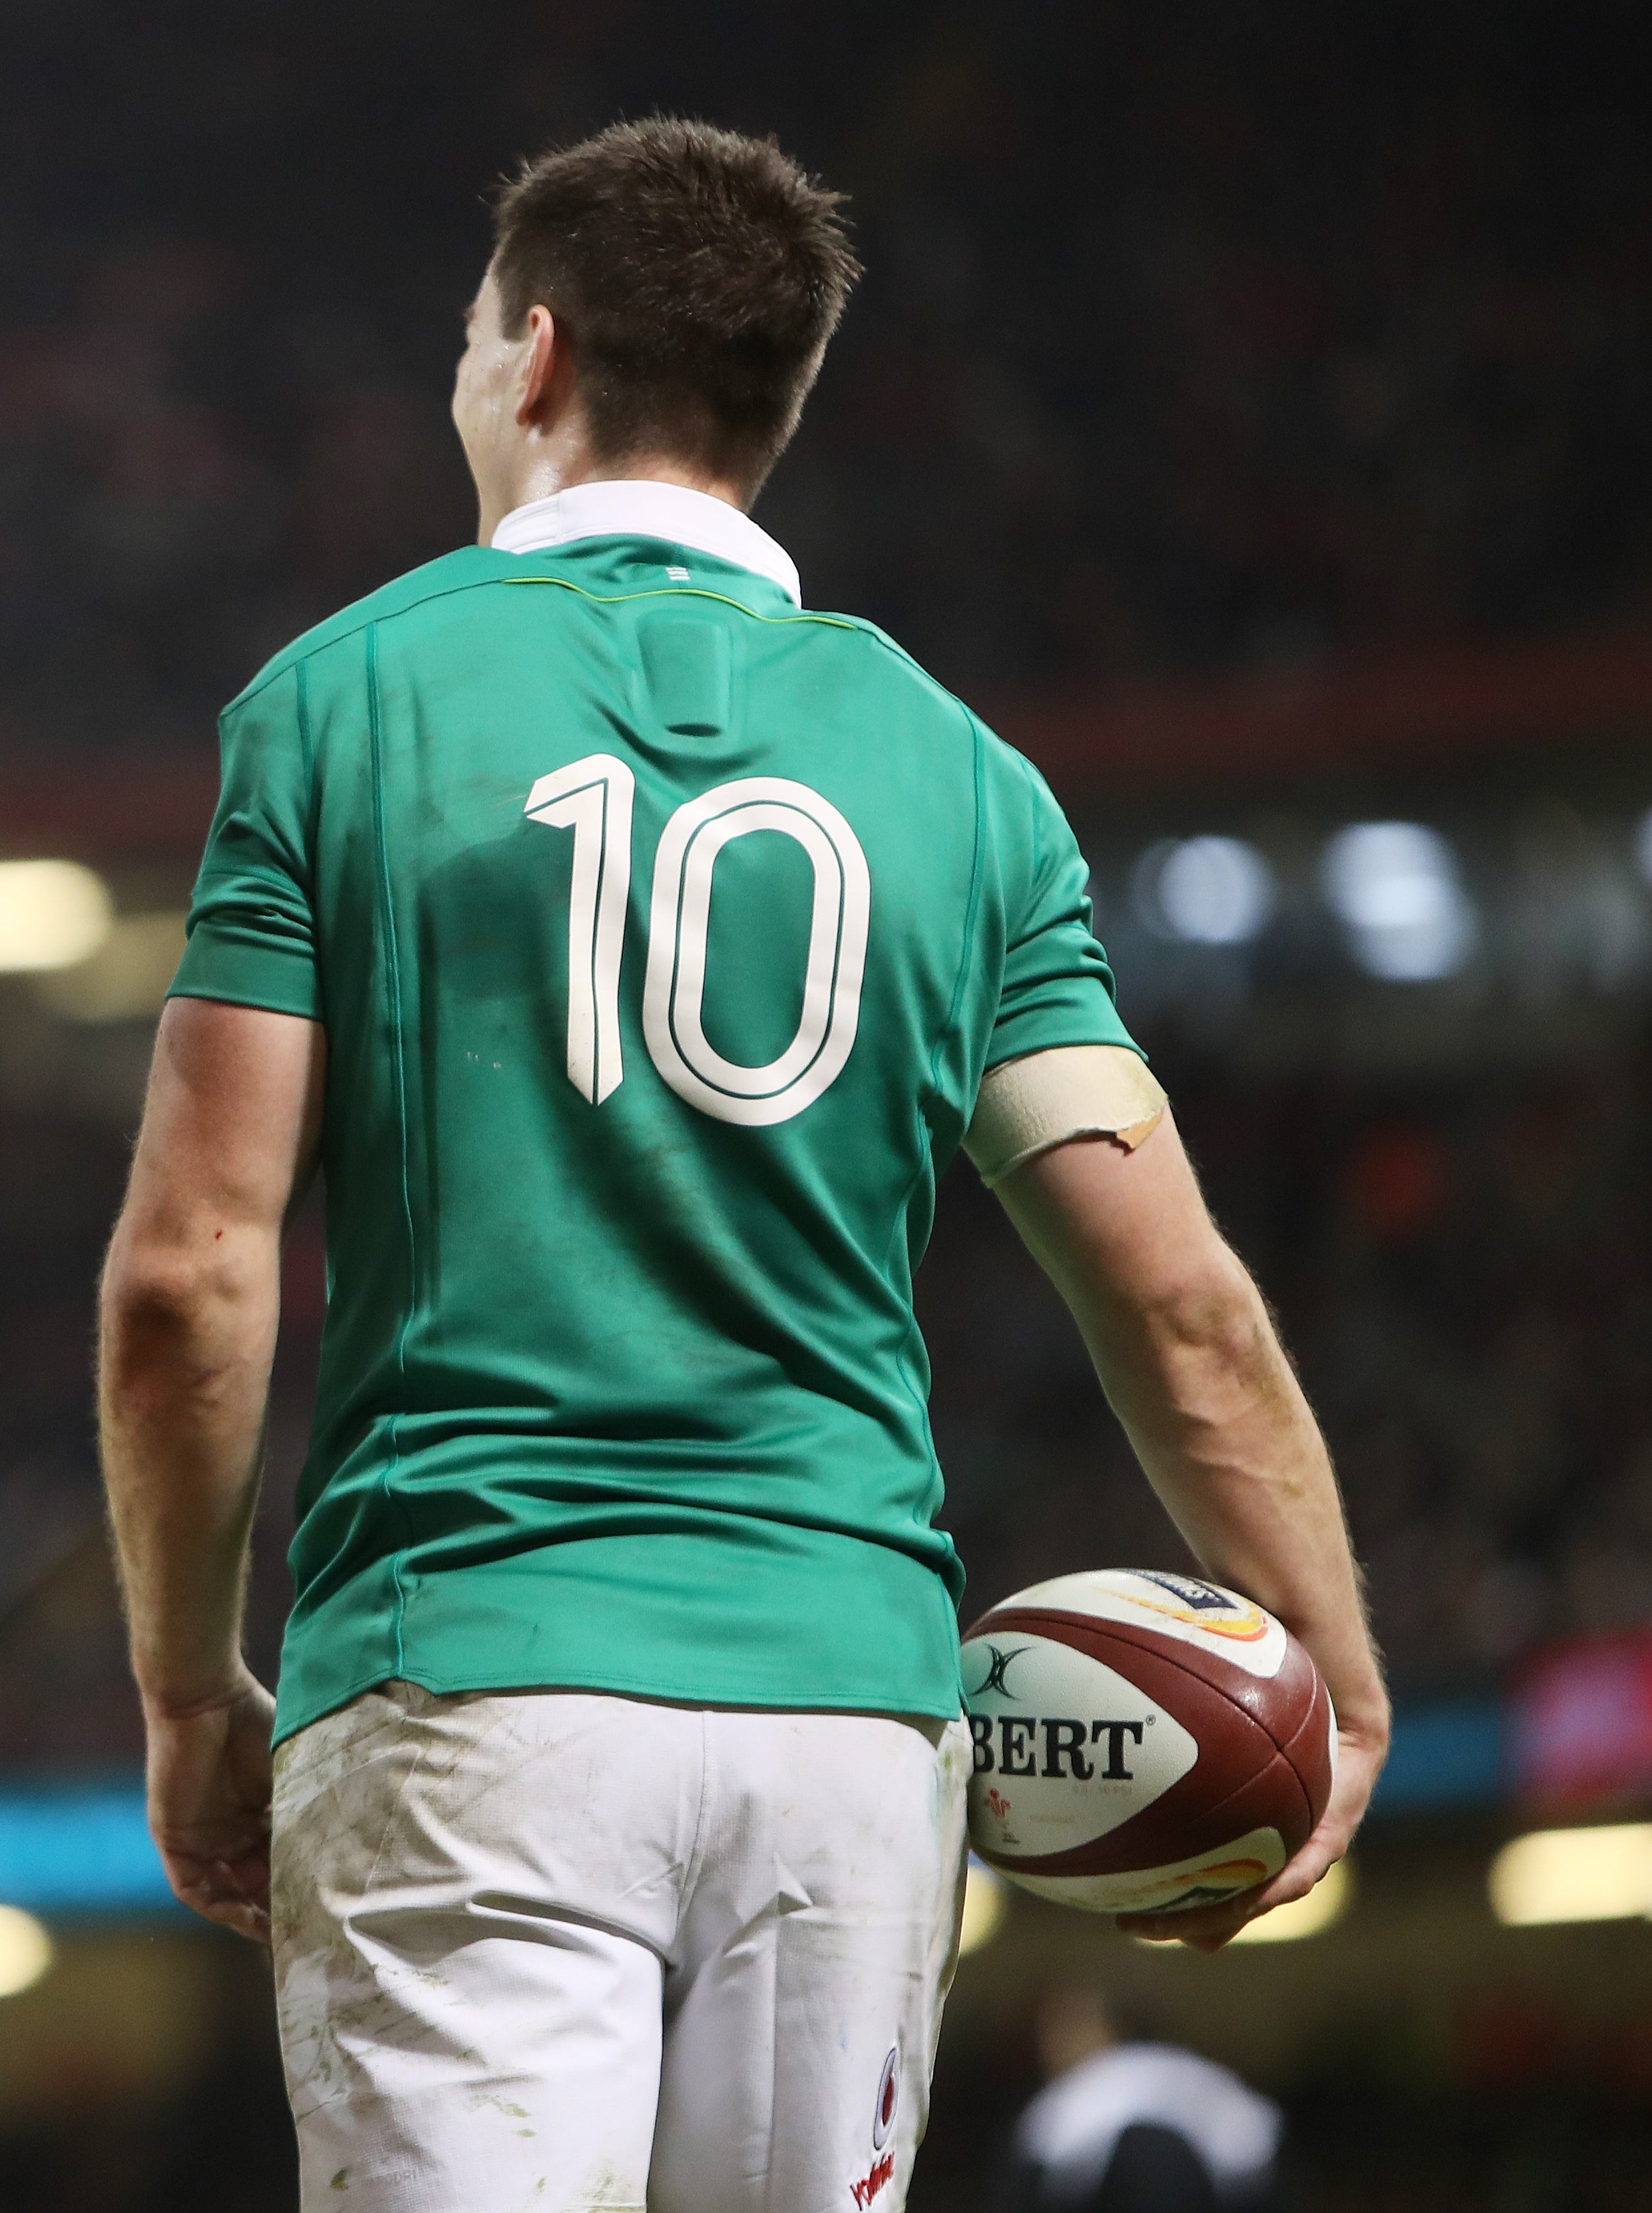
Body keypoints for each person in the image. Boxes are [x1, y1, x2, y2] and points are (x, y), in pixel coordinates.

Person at [94, 117, 1386, 2213]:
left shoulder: (339, 703)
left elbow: (189, 1270)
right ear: (773, 409)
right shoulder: (968, 783)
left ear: (529, 356)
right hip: (847, 1713)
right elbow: (1173, 1296)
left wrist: (183, 1682)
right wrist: (1330, 1664)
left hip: (471, 1666)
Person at [996, 1988, 1283, 2212]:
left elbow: (1026, 2188)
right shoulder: (1217, 2083)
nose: (1052, 2045)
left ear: (1106, 2027)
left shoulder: (1072, 2097)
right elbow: (1263, 2162)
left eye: (1067, 2028)